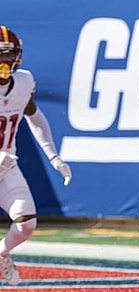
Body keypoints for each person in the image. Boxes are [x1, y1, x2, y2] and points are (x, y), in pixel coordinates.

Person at [0, 26, 72, 286]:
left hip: (6, 167)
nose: (4, 62)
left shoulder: (23, 82)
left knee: (26, 224)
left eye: (8, 55)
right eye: (0, 55)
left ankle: (2, 253)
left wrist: (54, 157)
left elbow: (34, 116)